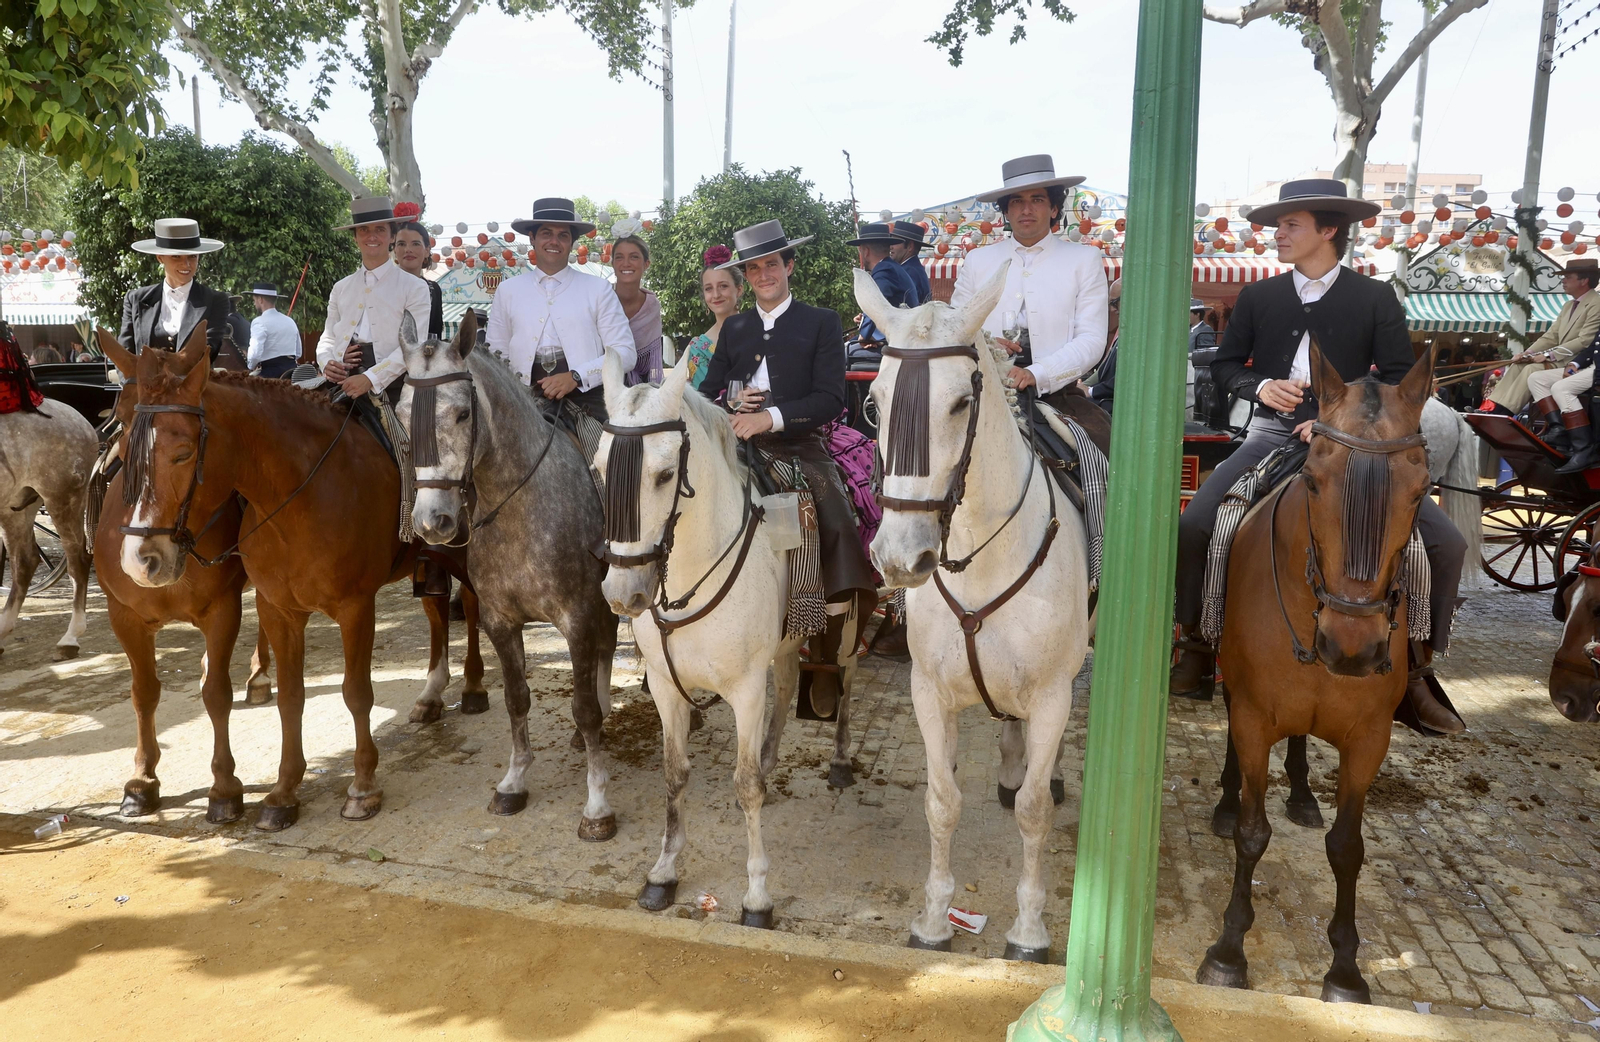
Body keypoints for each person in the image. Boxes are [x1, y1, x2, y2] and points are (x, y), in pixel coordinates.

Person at [1168, 178, 1465, 735]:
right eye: (1278, 226)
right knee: (1196, 525)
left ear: (1328, 230)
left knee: (1448, 544)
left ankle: (1417, 671)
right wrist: (1260, 387)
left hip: (1354, 448)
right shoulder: (1258, 296)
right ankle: (1197, 646)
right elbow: (1227, 365)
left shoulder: (1374, 297)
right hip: (1269, 434)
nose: (1277, 234)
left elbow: (1399, 382)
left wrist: (1341, 418)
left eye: (1290, 224)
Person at [699, 219, 876, 719]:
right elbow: (708, 391)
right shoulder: (735, 327)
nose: (763, 275)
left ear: (789, 266)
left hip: (800, 443)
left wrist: (770, 417)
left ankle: (826, 652)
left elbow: (830, 398)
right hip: (735, 441)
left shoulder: (821, 321)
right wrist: (733, 404)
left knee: (836, 520)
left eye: (771, 265)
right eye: (754, 269)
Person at [952, 153, 1111, 455]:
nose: (1026, 209)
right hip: (983, 390)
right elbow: (957, 328)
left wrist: (1038, 373)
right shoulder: (977, 260)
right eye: (1016, 201)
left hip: (1058, 395)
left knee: (1105, 453)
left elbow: (1091, 339)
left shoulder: (1083, 259)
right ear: (1006, 211)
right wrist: (987, 344)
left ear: (1054, 208)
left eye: (1037, 199)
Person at [486, 197, 635, 422]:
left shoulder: (598, 288)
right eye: (546, 233)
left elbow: (625, 352)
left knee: (608, 444)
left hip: (586, 399)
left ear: (572, 242)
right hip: (520, 401)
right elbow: (495, 355)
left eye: (563, 235)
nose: (554, 241)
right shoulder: (507, 291)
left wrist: (576, 376)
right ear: (532, 238)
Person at [316, 196, 431, 405]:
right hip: (341, 379)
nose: (372, 236)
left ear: (392, 236)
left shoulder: (415, 287)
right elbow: (329, 336)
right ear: (355, 237)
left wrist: (371, 378)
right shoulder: (341, 287)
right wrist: (327, 361)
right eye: (364, 230)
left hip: (394, 384)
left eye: (380, 229)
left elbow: (414, 344)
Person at [1481, 257, 1600, 417]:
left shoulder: (1597, 303)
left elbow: (1584, 340)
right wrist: (1527, 353)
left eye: (1568, 277)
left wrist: (1548, 355)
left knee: (1530, 369)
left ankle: (1505, 413)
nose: (1563, 280)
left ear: (1584, 280)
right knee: (1518, 365)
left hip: (1579, 363)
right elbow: (1551, 336)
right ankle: (1491, 408)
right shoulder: (1568, 305)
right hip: (1560, 360)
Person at [119, 217, 230, 357]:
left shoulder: (215, 300)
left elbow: (209, 350)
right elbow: (124, 354)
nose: (186, 264)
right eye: (176, 257)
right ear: (160, 258)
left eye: (192, 257)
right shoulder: (136, 299)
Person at [681, 245, 744, 390]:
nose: (716, 295)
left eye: (723, 286)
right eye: (709, 289)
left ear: (739, 289)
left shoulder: (761, 330)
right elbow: (704, 399)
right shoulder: (698, 348)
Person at [847, 222, 919, 347]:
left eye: (860, 251)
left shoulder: (885, 270)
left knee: (843, 352)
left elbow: (875, 304)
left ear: (866, 251)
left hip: (899, 342)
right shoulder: (890, 267)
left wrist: (864, 336)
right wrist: (864, 319)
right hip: (900, 337)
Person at [612, 235, 663, 386]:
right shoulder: (601, 299)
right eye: (619, 257)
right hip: (599, 385)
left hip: (641, 386)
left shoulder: (651, 306)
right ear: (612, 263)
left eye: (634, 257)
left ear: (646, 264)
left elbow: (652, 362)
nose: (626, 263)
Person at [1551, 325, 1600, 473]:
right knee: (1537, 379)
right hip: (1592, 367)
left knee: (1560, 388)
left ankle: (1584, 448)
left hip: (1596, 371)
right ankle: (1559, 430)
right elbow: (1594, 348)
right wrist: (1575, 363)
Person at [392, 206, 443, 340]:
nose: (408, 249)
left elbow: (436, 335)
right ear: (394, 250)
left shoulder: (434, 289)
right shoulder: (383, 284)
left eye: (415, 244)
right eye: (401, 244)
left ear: (427, 250)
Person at [248, 282, 302, 379]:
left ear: (260, 299)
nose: (254, 303)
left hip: (270, 374)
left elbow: (255, 354)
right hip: (292, 373)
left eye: (254, 300)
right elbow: (298, 352)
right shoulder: (290, 321)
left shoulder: (259, 322)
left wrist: (250, 366)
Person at [1090, 277, 1121, 414]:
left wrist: (1091, 391)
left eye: (1114, 303)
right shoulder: (1123, 329)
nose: (1112, 309)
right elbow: (1103, 370)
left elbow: (1127, 379)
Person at [889, 221, 933, 305]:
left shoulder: (908, 272)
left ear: (910, 246)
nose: (890, 247)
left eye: (895, 242)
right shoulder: (913, 269)